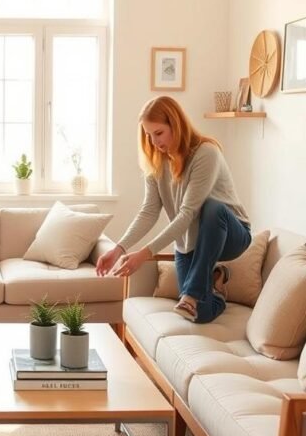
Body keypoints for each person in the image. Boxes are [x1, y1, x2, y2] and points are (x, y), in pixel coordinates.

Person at [96, 95, 251, 323]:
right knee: (197, 314)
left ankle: (192, 293)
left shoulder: (206, 153)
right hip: (190, 242)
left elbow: (188, 213)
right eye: (148, 135)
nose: (154, 142)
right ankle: (216, 282)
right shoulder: (156, 161)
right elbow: (149, 211)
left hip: (231, 234)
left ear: (176, 125)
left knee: (212, 208)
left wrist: (144, 255)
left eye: (158, 133)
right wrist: (118, 249)